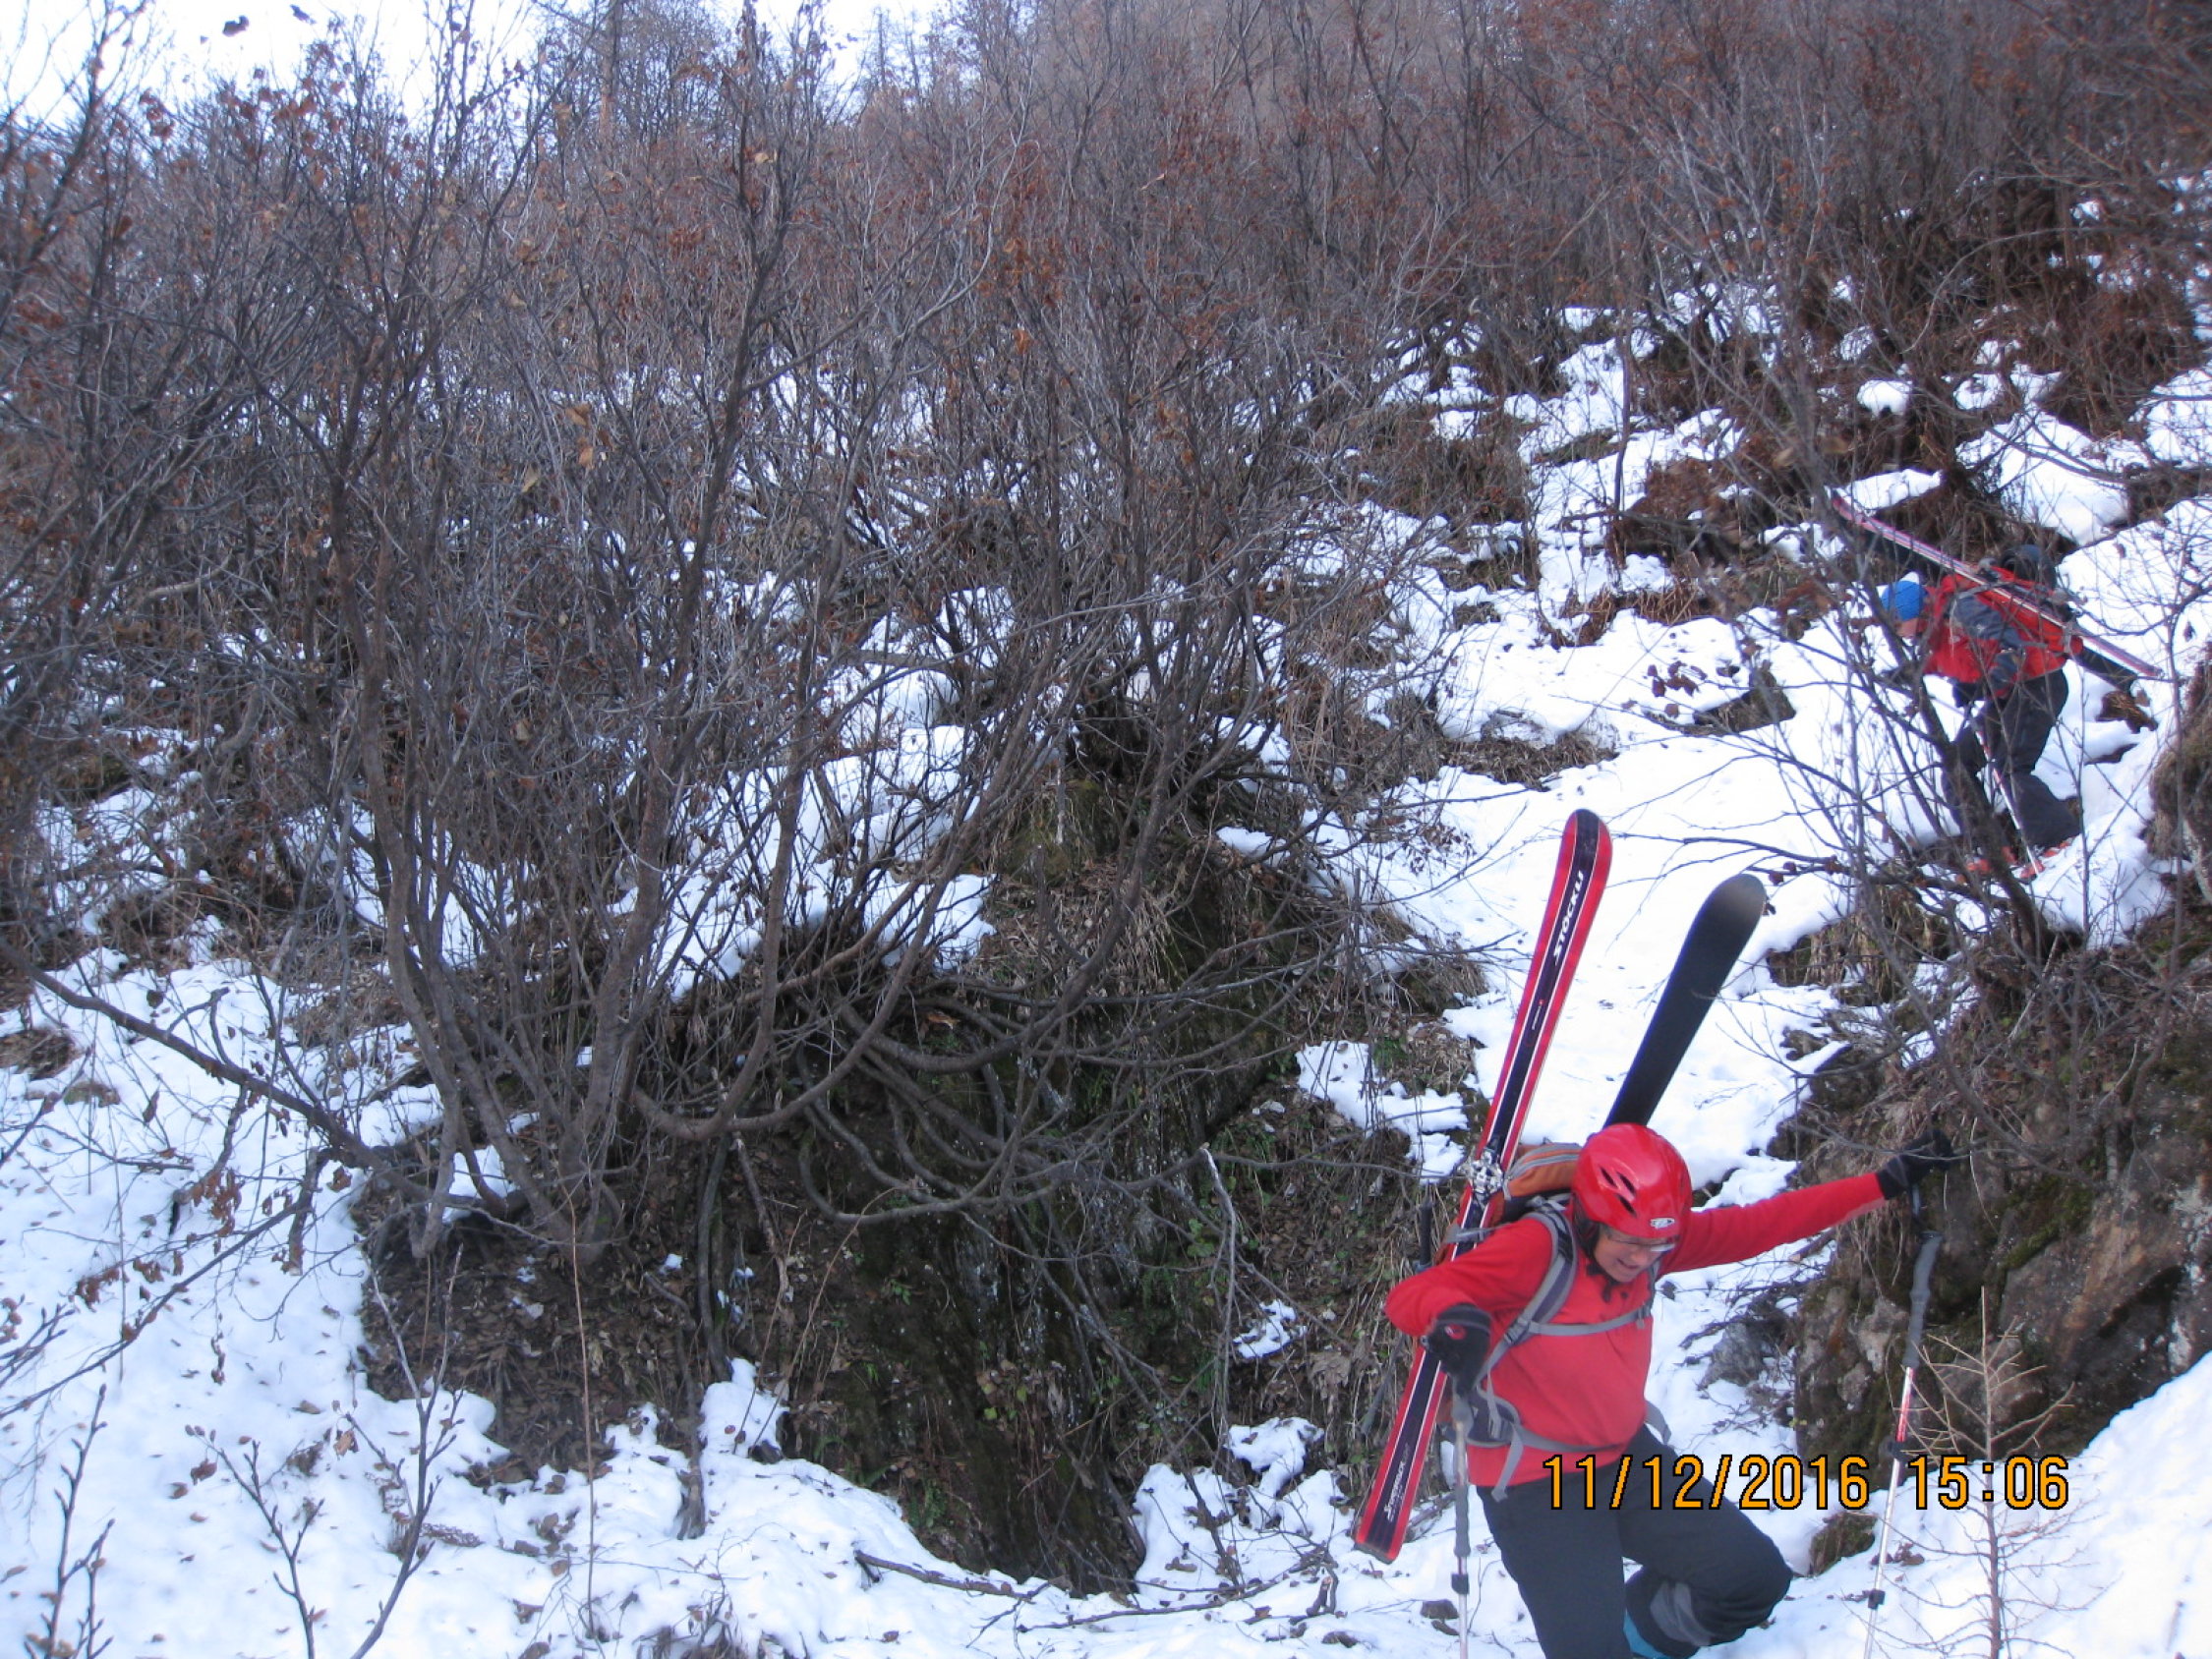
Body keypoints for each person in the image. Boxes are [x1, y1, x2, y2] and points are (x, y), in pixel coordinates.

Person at [1385, 1122, 1960, 1659]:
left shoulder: (1650, 1244)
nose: (1642, 1260)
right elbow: (1411, 1297)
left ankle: (1631, 1643)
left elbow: (1764, 1223)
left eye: (1656, 1248)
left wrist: (1884, 1184)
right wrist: (1454, 1316)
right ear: (1590, 1219)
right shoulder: (1536, 1248)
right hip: (1538, 1482)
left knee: (1750, 1581)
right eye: (1628, 1244)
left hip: (1626, 1461)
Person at [1879, 543, 2081, 865]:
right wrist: (1906, 674)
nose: (1895, 632)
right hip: (2007, 695)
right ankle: (1992, 853)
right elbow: (1942, 660)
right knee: (1957, 766)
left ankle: (2060, 839)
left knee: (2010, 766)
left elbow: (2013, 649)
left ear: (1911, 611)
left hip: (2037, 685)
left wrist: (1983, 685)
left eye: (1895, 623)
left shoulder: (1963, 610)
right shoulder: (1934, 629)